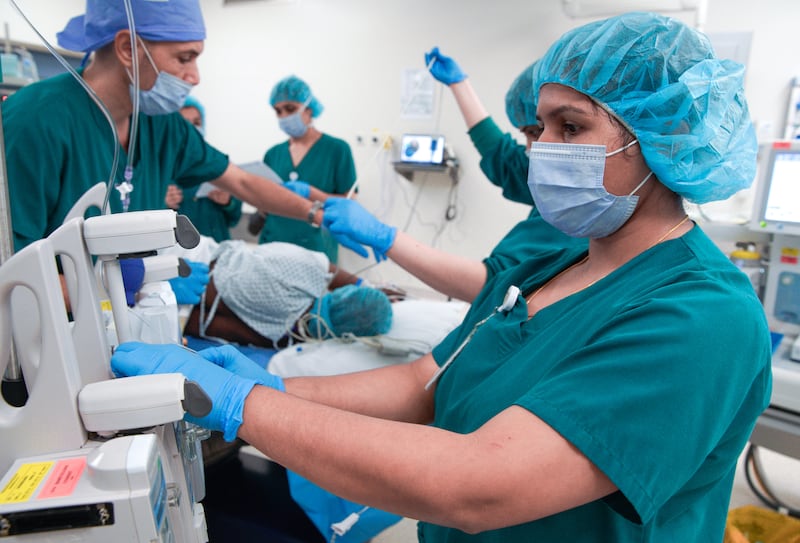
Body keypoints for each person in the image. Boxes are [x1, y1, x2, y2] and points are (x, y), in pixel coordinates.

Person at [111, 12, 772, 542]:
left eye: (571, 126)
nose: (540, 150)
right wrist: (278, 383)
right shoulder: (558, 258)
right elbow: (425, 380)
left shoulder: (700, 315)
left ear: (667, 136)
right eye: (539, 128)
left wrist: (241, 405)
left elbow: (476, 483)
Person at [3, 0, 326, 258]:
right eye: (184, 58)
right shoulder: (35, 120)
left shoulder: (162, 123)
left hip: (129, 318)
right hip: (51, 331)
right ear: (128, 48)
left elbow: (241, 181)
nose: (195, 77)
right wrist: (118, 286)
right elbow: (14, 272)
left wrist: (317, 213)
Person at [321, 55, 584, 303]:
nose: (534, 149)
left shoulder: (578, 211)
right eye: (532, 131)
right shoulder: (563, 180)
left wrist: (385, 238)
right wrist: (460, 85)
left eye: (568, 128)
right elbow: (504, 159)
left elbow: (497, 284)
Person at [177, 239, 393, 348]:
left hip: (184, 286)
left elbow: (334, 273)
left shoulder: (308, 270)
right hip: (186, 266)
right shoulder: (283, 338)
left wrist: (364, 284)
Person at [249, 75, 356, 263]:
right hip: (273, 246)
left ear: (309, 109)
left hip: (315, 247)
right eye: (278, 111)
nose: (284, 116)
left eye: (290, 109)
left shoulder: (337, 149)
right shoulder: (273, 154)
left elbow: (349, 203)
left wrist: (310, 192)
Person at [164, 96, 243, 242]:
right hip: (181, 254)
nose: (193, 129)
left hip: (218, 253)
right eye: (185, 124)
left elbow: (235, 218)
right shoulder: (161, 168)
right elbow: (145, 221)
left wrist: (228, 202)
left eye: (197, 123)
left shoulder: (216, 163)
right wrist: (163, 205)